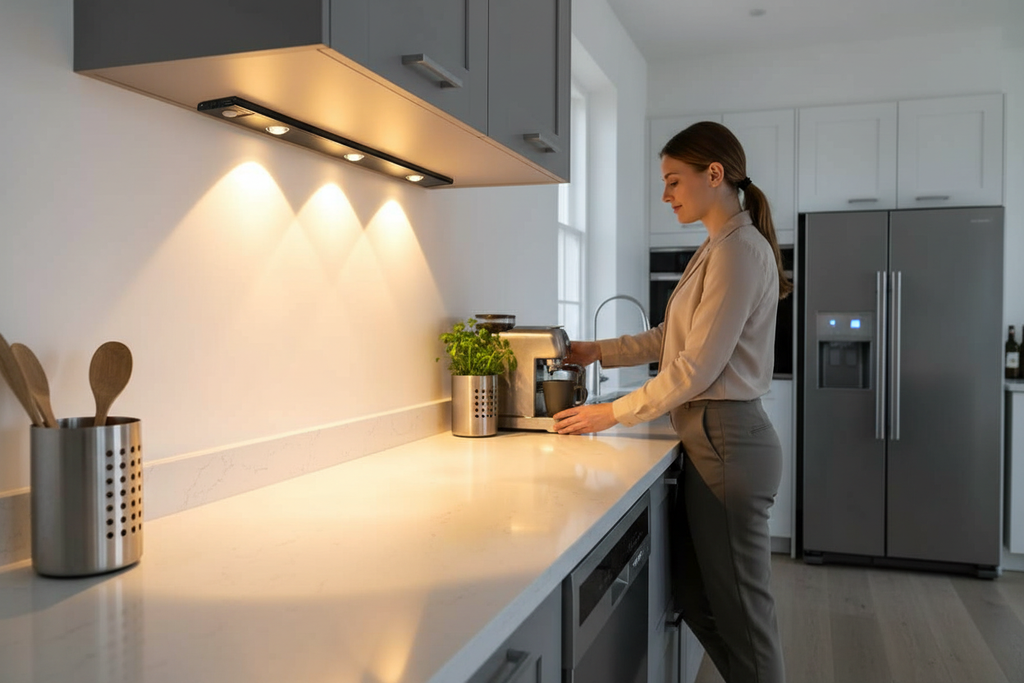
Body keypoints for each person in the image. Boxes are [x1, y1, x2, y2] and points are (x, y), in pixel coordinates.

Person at [553, 121, 791, 683]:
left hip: (729, 442)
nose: (666, 195)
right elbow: (668, 337)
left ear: (714, 175)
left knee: (746, 622)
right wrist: (595, 351)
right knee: (691, 589)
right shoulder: (715, 248)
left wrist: (607, 413)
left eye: (673, 181)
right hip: (710, 439)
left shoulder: (738, 253)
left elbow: (696, 367)